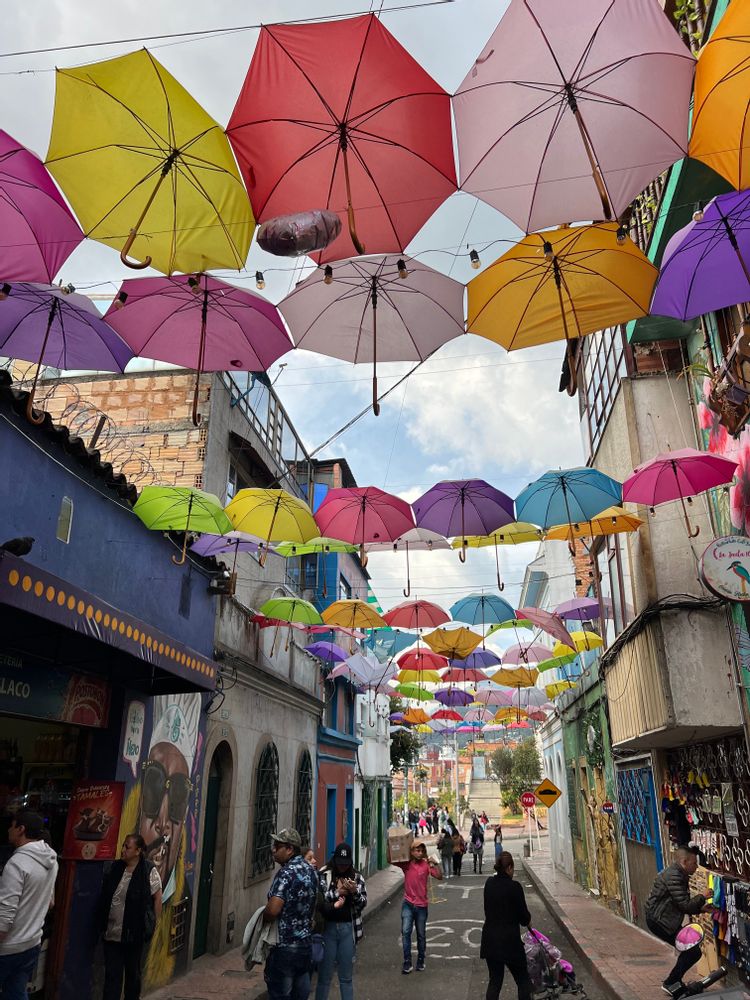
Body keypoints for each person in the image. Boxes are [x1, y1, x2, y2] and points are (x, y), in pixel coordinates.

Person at [0, 812, 58, 1000]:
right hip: (32, 943)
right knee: (16, 992)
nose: (9, 829)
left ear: (21, 829)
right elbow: (50, 902)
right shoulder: (51, 861)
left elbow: (5, 914)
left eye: (12, 825)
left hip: (9, 947)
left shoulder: (17, 863)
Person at [99, 834, 162, 1000]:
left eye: (127, 847)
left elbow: (157, 897)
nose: (123, 850)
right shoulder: (115, 868)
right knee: (112, 975)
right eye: (123, 846)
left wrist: (155, 922)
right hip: (112, 933)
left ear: (138, 851)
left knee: (132, 975)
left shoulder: (147, 870)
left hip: (134, 934)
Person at [262, 828, 319, 1000]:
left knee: (281, 994)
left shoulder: (286, 874)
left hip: (285, 948)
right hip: (305, 947)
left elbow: (273, 910)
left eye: (277, 846)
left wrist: (262, 917)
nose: (273, 849)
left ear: (289, 849)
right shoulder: (311, 871)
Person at [645, 846, 710, 992]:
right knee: (692, 952)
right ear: (684, 861)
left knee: (691, 951)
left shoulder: (678, 873)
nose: (696, 866)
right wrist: (702, 896)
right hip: (661, 921)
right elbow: (685, 905)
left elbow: (681, 904)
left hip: (664, 919)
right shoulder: (674, 876)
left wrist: (700, 909)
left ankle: (673, 981)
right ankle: (671, 982)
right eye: (694, 863)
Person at [315, 843, 367, 1000]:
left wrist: (354, 892)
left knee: (346, 977)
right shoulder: (324, 874)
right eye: (340, 863)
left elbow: (363, 903)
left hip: (347, 929)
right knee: (324, 977)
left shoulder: (357, 877)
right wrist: (337, 892)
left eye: (346, 864)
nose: (343, 867)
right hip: (327, 929)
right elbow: (320, 900)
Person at [481, 851, 533, 1000]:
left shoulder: (489, 883)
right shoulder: (515, 887)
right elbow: (524, 917)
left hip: (490, 940)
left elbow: (487, 909)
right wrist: (529, 921)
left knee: (495, 981)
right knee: (523, 980)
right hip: (510, 942)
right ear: (509, 868)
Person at [389, 840, 442, 974]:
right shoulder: (407, 865)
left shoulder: (426, 865)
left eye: (421, 850)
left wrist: (435, 863)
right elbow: (390, 859)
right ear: (411, 852)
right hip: (408, 904)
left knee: (421, 935)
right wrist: (389, 845)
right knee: (406, 932)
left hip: (422, 905)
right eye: (416, 850)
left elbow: (440, 876)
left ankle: (420, 960)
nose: (419, 852)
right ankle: (407, 962)